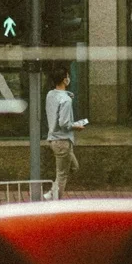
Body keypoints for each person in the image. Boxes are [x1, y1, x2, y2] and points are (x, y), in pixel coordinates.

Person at [45, 65, 87, 197]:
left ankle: (50, 195)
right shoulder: (66, 101)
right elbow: (64, 123)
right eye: (68, 76)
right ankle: (52, 199)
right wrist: (76, 126)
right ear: (64, 80)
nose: (69, 79)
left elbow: (58, 98)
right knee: (62, 175)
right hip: (62, 141)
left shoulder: (50, 94)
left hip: (54, 139)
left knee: (74, 167)